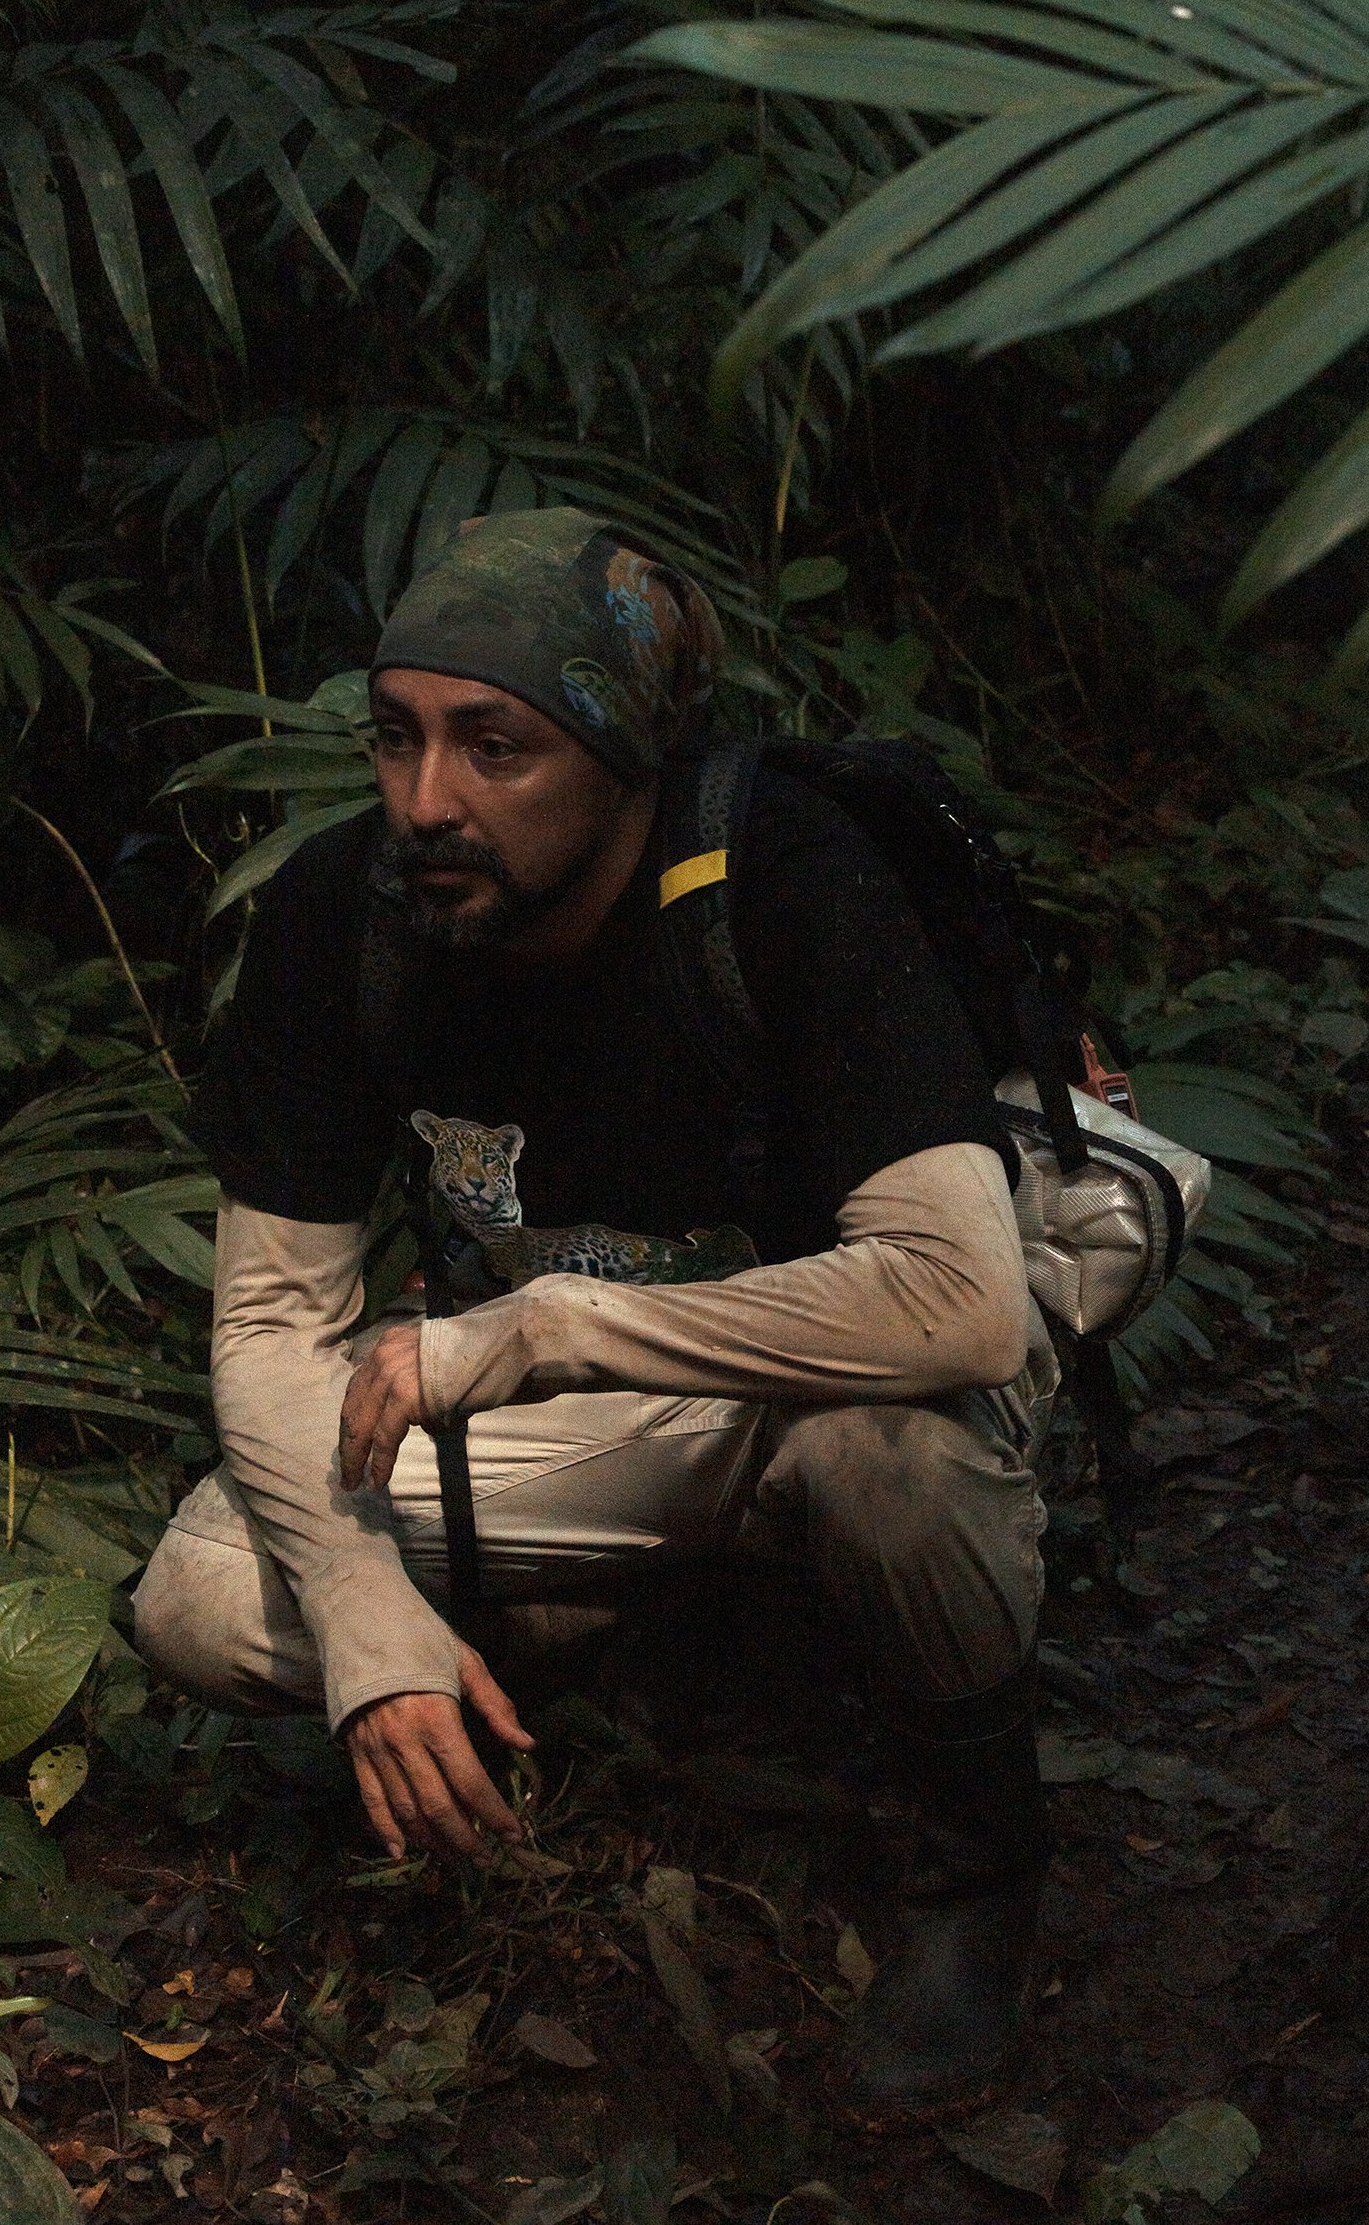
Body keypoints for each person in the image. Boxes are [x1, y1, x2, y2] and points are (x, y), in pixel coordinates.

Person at [133, 505, 1058, 2111]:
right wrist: (364, 1628)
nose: (430, 802)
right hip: (573, 1416)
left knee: (895, 1477)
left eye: (497, 747)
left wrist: (555, 1326)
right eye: (398, 740)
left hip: (818, 1391)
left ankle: (978, 1870)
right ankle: (568, 1641)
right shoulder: (345, 916)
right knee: (208, 1599)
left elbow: (965, 1304)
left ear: (622, 753)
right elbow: (274, 1319)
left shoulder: (780, 882)